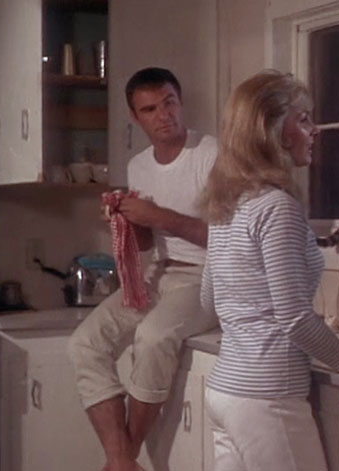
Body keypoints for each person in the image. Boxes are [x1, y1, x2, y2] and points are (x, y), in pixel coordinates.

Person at [198, 70, 339, 471]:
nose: (315, 129)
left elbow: (210, 299)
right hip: (266, 397)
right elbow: (294, 319)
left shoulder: (226, 205)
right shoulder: (277, 207)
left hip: (225, 391)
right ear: (273, 129)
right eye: (304, 118)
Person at [68, 67, 219, 471]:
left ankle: (121, 460)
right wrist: (126, 224)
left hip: (208, 276)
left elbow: (229, 238)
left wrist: (159, 214)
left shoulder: (211, 155)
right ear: (136, 118)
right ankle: (122, 458)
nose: (163, 114)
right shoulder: (138, 167)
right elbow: (150, 242)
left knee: (152, 337)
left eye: (169, 102)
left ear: (180, 101)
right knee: (84, 343)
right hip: (158, 274)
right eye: (150, 109)